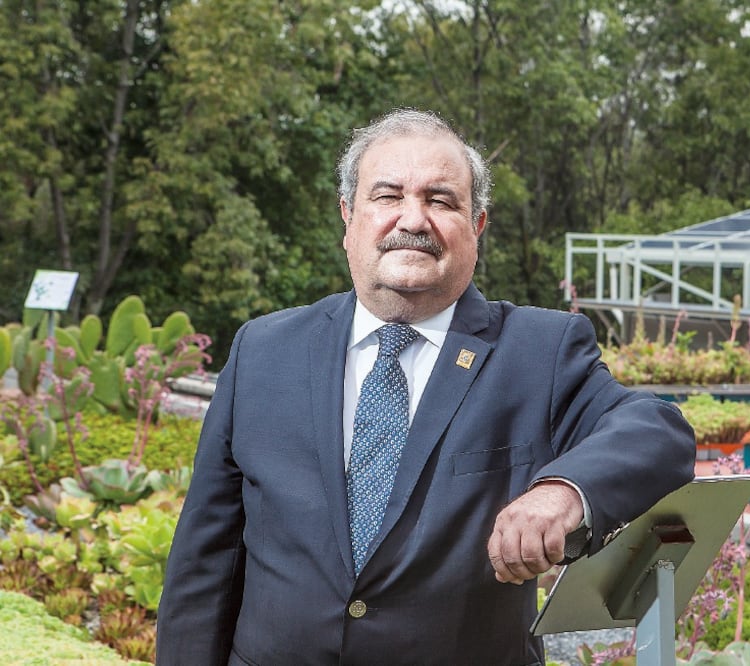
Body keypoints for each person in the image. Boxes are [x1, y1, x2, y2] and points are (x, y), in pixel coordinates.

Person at [156, 109, 696, 665]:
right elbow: (205, 563)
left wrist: (563, 492)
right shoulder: (263, 351)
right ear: (349, 217)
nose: (412, 219)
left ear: (477, 226)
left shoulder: (539, 351)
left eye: (440, 200)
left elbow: (658, 432)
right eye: (387, 196)